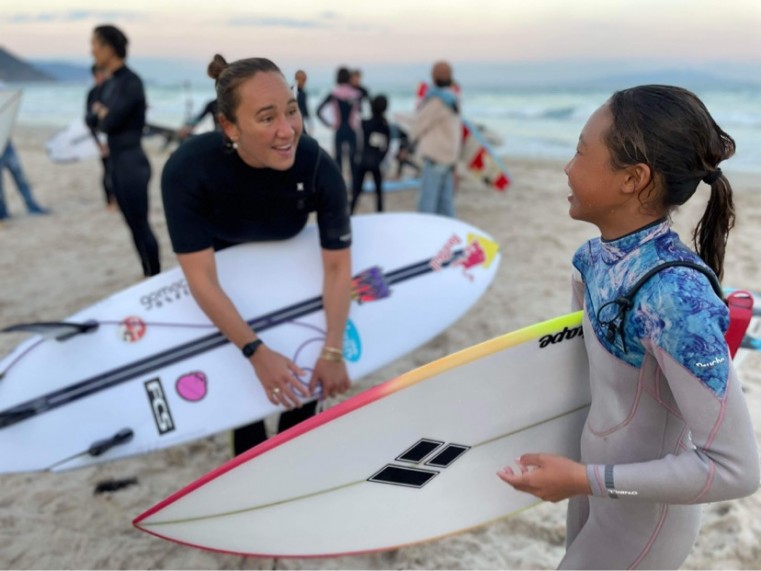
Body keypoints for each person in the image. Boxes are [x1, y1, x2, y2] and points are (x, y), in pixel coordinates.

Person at [498, 85, 759, 570]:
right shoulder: (590, 261)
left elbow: (737, 470)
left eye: (580, 151)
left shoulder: (676, 297)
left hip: (645, 517)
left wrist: (585, 478)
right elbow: (584, 385)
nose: (567, 166)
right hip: (589, 484)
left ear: (633, 179)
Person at [161, 54, 353, 456]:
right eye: (267, 118)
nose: (287, 131)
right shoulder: (189, 170)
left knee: (300, 408)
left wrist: (333, 349)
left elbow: (336, 265)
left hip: (294, 293)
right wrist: (255, 351)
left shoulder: (316, 165)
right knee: (247, 411)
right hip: (227, 295)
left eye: (291, 111)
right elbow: (201, 279)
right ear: (229, 126)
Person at [88, 24, 161, 277]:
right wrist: (101, 114)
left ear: (109, 48)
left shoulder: (131, 82)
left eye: (95, 45)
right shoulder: (108, 84)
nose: (92, 51)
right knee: (132, 225)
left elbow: (108, 122)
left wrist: (102, 113)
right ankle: (146, 274)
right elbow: (91, 118)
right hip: (116, 164)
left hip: (132, 162)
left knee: (141, 225)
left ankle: (154, 276)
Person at [409, 61, 461, 217]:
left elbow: (419, 124)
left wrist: (409, 143)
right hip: (449, 158)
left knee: (427, 208)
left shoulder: (436, 100)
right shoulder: (453, 99)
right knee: (446, 208)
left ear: (433, 76)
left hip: (434, 158)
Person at [316, 66, 362, 185]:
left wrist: (329, 124)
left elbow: (318, 111)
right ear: (349, 78)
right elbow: (360, 111)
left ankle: (339, 187)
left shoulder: (333, 93)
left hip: (339, 129)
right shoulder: (357, 94)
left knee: (338, 161)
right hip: (352, 130)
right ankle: (355, 188)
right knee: (353, 162)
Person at [351, 95, 390, 213]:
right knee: (378, 192)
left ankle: (350, 212)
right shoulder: (385, 126)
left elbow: (358, 141)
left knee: (357, 191)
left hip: (363, 159)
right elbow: (387, 145)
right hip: (376, 161)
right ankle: (380, 213)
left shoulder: (365, 123)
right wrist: (381, 158)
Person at [85, 64, 116, 210]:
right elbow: (89, 120)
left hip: (114, 135)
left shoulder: (112, 90)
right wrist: (98, 143)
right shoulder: (93, 93)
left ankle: (116, 199)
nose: (102, 77)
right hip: (101, 135)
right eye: (99, 74)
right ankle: (109, 201)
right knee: (107, 170)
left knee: (117, 170)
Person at [0, 140, 50, 220]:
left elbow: (6, 128)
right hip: (6, 147)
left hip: (7, 148)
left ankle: (32, 207)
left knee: (21, 180)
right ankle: (2, 212)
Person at [293, 69, 313, 135]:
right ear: (297, 79)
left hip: (301, 124)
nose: (304, 82)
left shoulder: (303, 93)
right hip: (293, 125)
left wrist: (310, 123)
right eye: (303, 80)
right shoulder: (290, 92)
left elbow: (305, 109)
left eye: (305, 80)